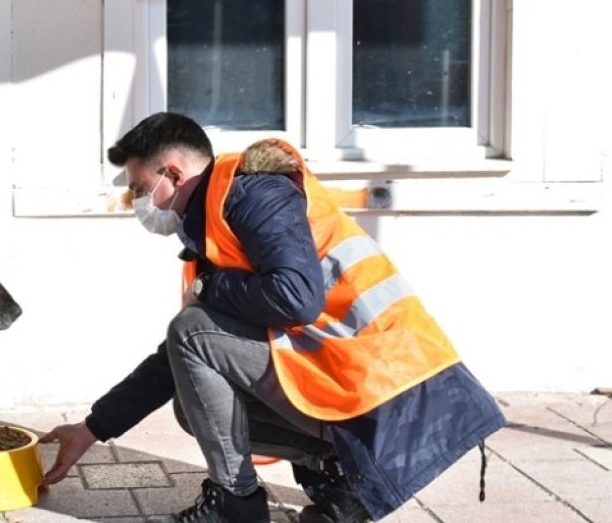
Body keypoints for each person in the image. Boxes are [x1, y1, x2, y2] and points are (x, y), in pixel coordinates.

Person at [38, 112, 506, 522]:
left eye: (139, 190)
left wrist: (209, 287)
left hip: (395, 388)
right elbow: (178, 358)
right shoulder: (214, 223)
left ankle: (235, 503)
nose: (137, 204)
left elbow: (298, 299)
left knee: (191, 333)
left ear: (174, 174)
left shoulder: (254, 195)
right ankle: (337, 462)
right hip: (356, 376)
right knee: (190, 394)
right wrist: (93, 429)